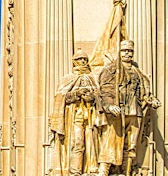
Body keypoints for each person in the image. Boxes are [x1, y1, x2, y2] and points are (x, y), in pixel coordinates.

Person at [95, 40, 160, 176]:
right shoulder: (112, 69)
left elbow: (143, 92)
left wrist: (151, 100)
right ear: (119, 52)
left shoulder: (137, 72)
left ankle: (126, 171)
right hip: (117, 112)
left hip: (135, 111)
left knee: (131, 145)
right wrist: (109, 105)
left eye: (130, 51)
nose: (127, 54)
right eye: (124, 51)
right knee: (110, 141)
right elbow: (105, 89)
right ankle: (104, 170)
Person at [49, 49, 98, 176]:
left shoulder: (92, 79)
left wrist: (91, 97)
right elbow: (60, 97)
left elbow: (99, 96)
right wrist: (76, 94)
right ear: (74, 62)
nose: (82, 61)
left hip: (91, 117)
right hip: (75, 116)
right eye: (79, 59)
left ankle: (90, 169)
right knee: (78, 142)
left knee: (92, 143)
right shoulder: (68, 78)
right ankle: (74, 171)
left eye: (85, 59)